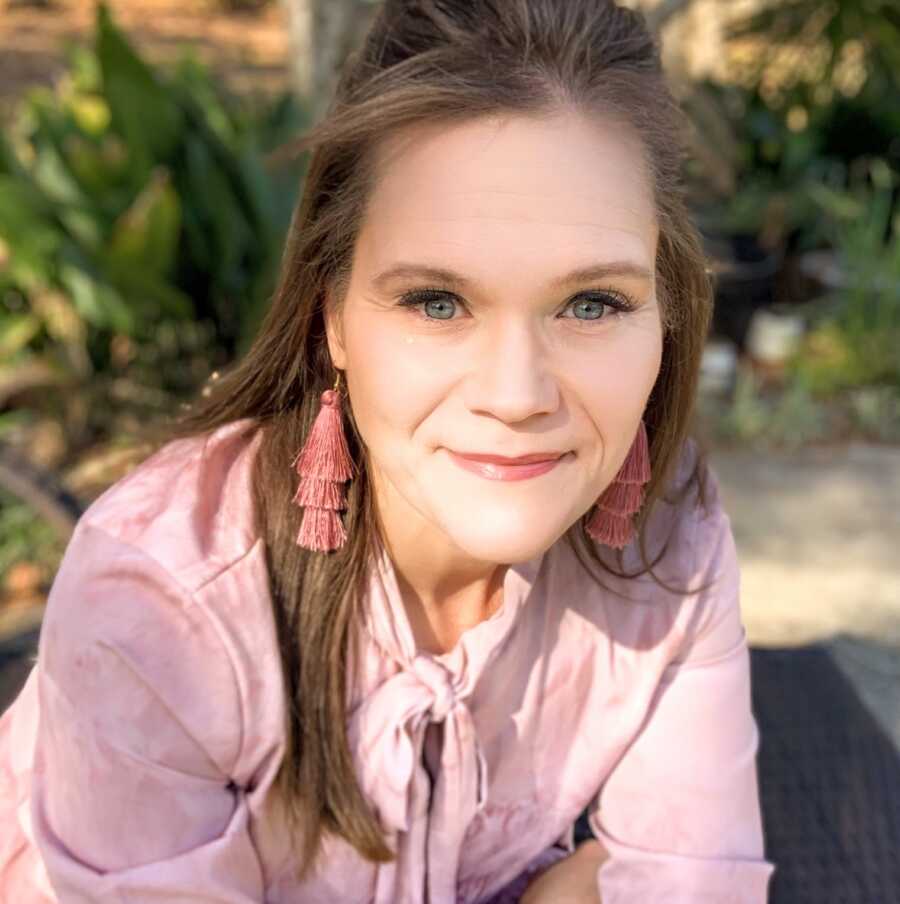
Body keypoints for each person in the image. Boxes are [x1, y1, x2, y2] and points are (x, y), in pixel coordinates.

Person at [0, 1, 777, 901]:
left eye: (593, 303)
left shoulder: (669, 538)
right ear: (332, 315)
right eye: (436, 302)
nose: (518, 396)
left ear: (667, 311)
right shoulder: (161, 600)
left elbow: (691, 878)